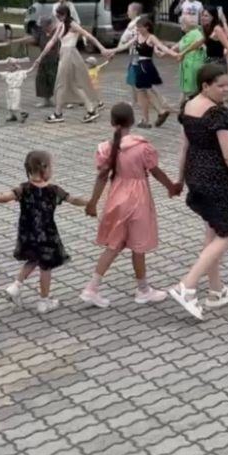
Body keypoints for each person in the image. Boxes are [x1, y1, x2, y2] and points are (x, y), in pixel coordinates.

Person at [169, 63, 228, 320]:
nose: (225, 90)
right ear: (205, 86)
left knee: (212, 231)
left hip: (196, 176)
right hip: (218, 180)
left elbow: (184, 147)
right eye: (220, 86)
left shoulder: (188, 106)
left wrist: (180, 178)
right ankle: (187, 286)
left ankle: (216, 290)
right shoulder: (218, 114)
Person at [80, 102, 177, 308]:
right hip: (138, 200)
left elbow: (101, 177)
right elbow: (155, 171)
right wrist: (171, 186)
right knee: (138, 245)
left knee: (113, 245)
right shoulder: (142, 147)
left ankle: (92, 288)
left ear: (112, 122)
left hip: (116, 198)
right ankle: (143, 290)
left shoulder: (107, 148)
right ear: (132, 122)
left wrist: (92, 203)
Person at [0, 150, 85, 314]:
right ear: (44, 168)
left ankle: (16, 286)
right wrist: (91, 202)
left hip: (28, 233)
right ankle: (44, 301)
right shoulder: (54, 190)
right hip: (46, 235)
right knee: (45, 267)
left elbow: (4, 197)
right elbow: (73, 200)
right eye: (51, 167)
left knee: (33, 259)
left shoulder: (23, 189)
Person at [34, 4, 106, 124]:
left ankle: (58, 113)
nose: (58, 17)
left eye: (60, 15)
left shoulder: (72, 24)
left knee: (61, 85)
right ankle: (90, 110)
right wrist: (40, 57)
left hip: (70, 54)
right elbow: (52, 41)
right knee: (73, 85)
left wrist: (102, 48)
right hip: (65, 54)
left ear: (66, 14)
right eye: (57, 15)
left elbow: (88, 35)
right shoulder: (61, 25)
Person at [108, 17, 176, 128]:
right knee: (144, 91)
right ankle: (153, 115)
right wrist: (111, 50)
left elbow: (162, 47)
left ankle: (153, 115)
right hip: (138, 65)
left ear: (146, 27)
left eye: (140, 27)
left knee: (144, 91)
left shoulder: (151, 37)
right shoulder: (137, 37)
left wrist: (174, 54)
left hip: (144, 66)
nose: (138, 29)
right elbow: (125, 46)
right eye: (137, 27)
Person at [179, 6, 228, 71]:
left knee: (199, 72)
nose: (203, 18)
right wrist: (183, 53)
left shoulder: (217, 29)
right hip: (209, 61)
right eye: (202, 15)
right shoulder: (207, 29)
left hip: (217, 63)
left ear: (213, 17)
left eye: (206, 16)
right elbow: (198, 43)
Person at [0, 57, 33, 123]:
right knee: (9, 104)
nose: (8, 67)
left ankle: (22, 114)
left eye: (10, 65)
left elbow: (29, 70)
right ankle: (12, 116)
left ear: (15, 66)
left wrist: (35, 64)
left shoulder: (20, 73)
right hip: (9, 90)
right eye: (7, 65)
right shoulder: (7, 73)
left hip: (16, 91)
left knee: (15, 105)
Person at [176, 14, 206, 105]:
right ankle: (182, 104)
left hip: (193, 64)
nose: (181, 25)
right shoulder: (187, 35)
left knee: (192, 88)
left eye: (182, 23)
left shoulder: (196, 33)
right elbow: (178, 45)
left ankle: (192, 105)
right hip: (186, 64)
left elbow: (200, 43)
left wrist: (183, 52)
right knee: (186, 88)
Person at [35, 18, 59, 108]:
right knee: (41, 78)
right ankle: (46, 100)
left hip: (53, 60)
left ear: (49, 25)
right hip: (43, 59)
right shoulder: (42, 33)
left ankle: (59, 99)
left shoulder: (56, 33)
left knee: (53, 79)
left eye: (44, 26)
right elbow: (34, 40)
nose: (42, 28)